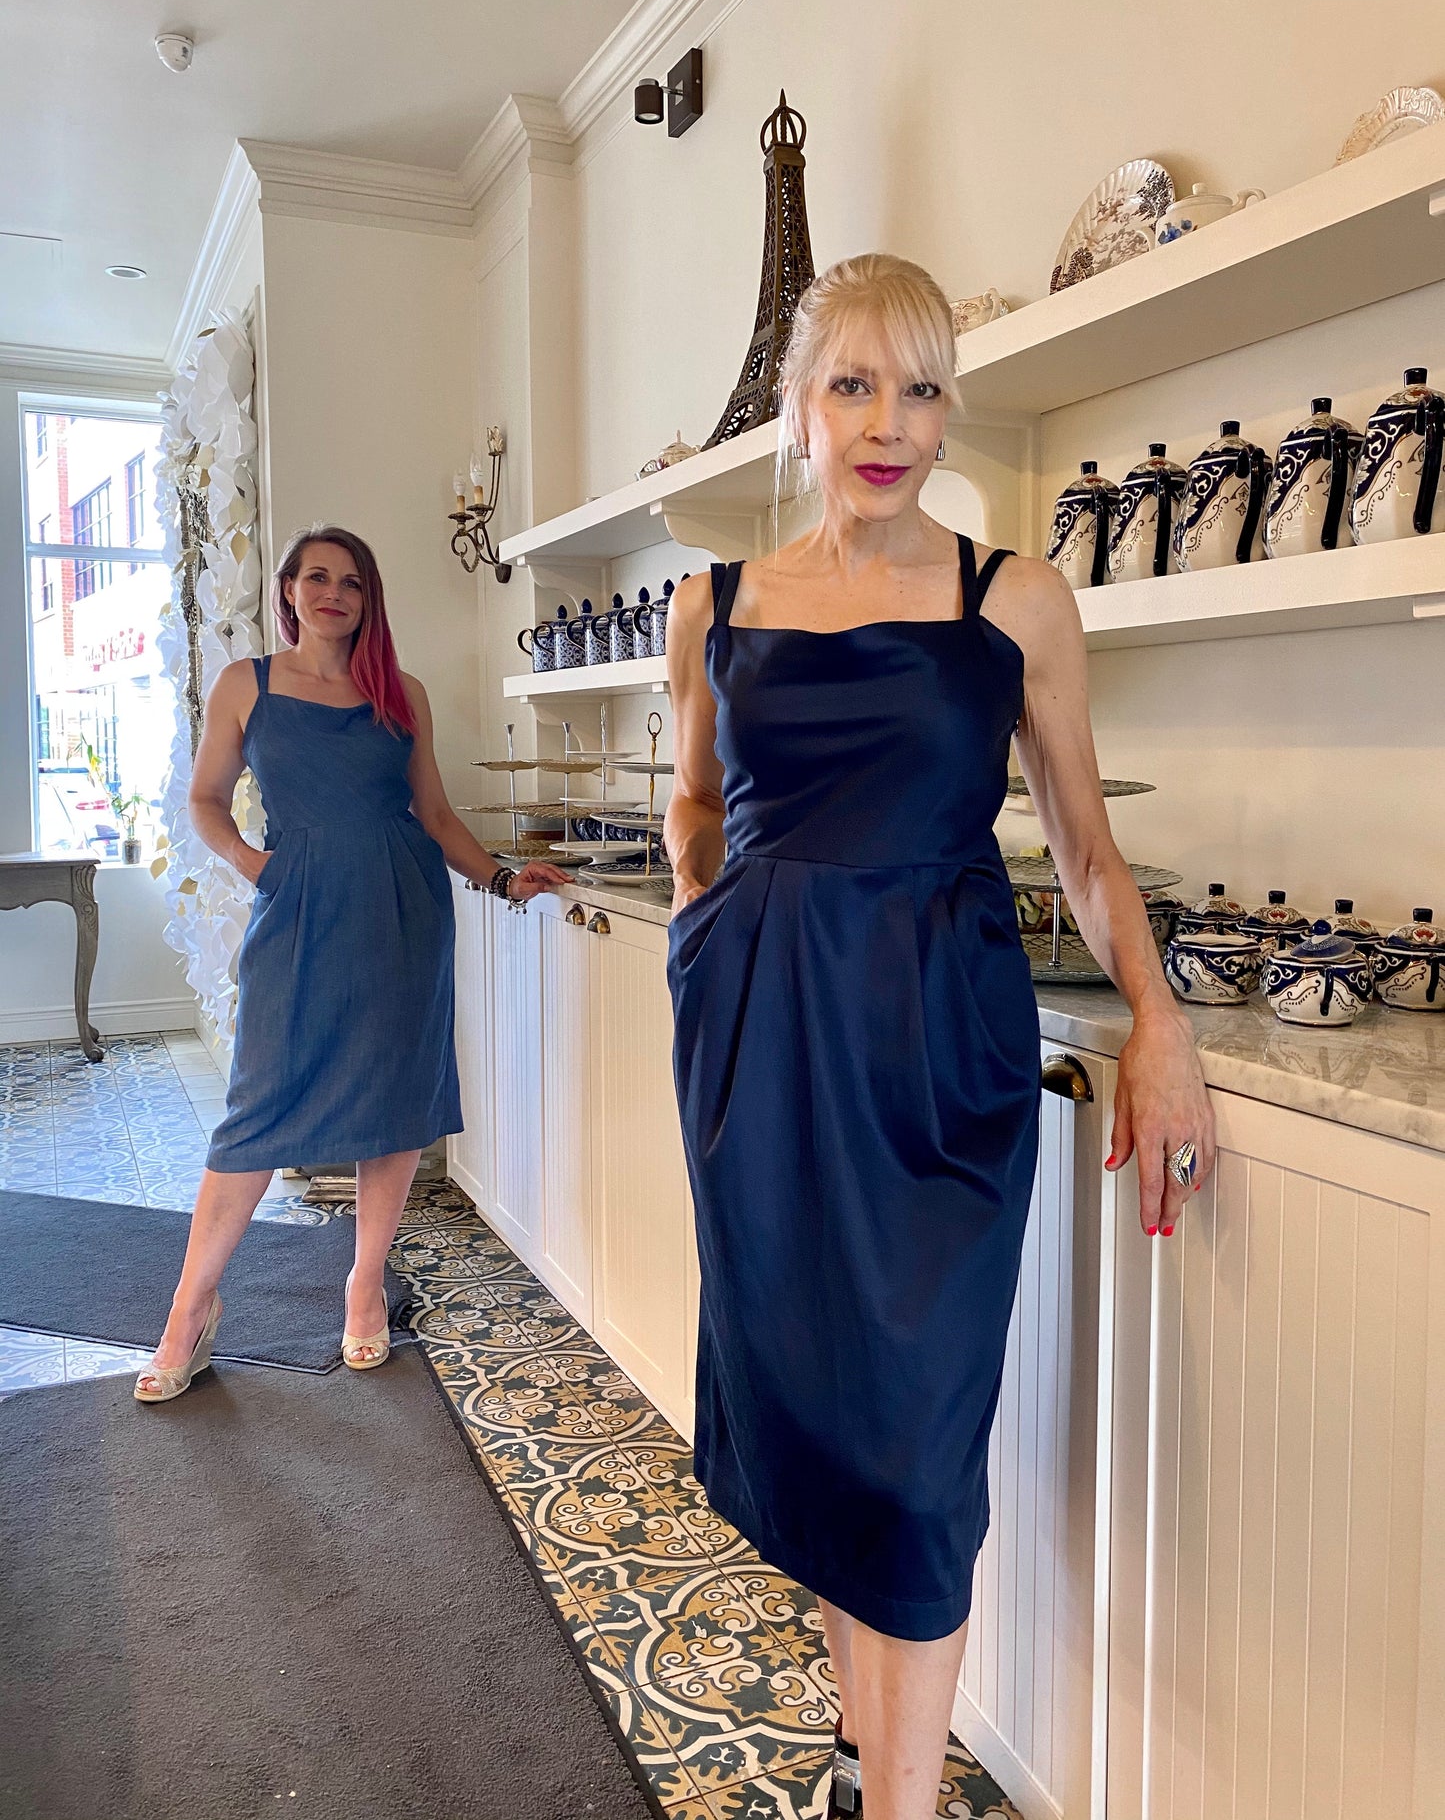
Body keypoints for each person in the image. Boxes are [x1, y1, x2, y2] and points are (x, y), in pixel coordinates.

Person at [663, 254, 1216, 1820]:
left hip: (935, 1048)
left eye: (920, 386)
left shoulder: (1012, 599)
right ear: (799, 406)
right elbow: (694, 808)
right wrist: (711, 952)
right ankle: (865, 1752)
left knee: (914, 1435)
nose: (888, 422)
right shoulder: (711, 606)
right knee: (818, 1418)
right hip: (764, 1055)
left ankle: (890, 1798)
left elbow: (1087, 850)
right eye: (853, 383)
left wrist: (1159, 1019)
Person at [135, 525, 566, 1401]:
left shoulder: (398, 692)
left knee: (393, 1102)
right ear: (288, 590)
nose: (335, 592)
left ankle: (364, 1283)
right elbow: (205, 801)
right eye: (318, 577)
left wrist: (500, 876)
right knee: (257, 1107)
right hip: (297, 918)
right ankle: (190, 1306)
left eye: (353, 582)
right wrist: (262, 868)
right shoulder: (245, 685)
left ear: (368, 599)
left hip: (403, 915)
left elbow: (435, 814)